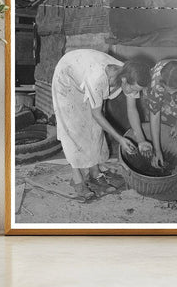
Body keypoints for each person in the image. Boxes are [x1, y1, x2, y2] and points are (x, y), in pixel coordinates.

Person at [52, 49, 153, 199]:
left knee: (95, 127)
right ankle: (77, 178)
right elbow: (97, 114)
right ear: (124, 80)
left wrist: (142, 140)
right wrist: (120, 139)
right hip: (66, 77)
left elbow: (132, 109)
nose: (133, 92)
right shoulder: (98, 77)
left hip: (83, 73)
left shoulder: (130, 74)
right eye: (133, 89)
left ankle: (95, 172)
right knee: (73, 128)